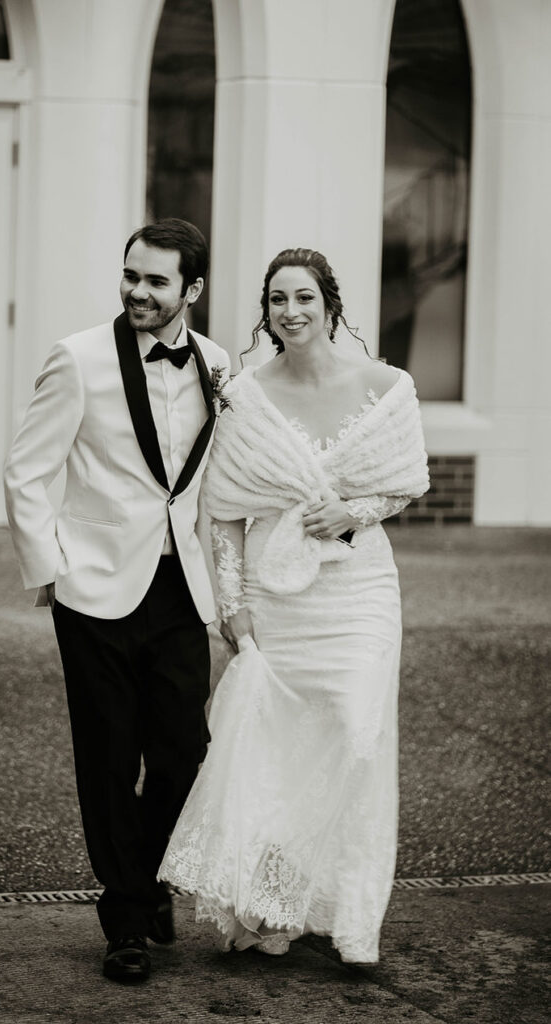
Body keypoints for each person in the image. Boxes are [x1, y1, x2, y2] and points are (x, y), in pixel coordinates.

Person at [159, 247, 429, 964]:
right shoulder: (244, 394)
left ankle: (347, 909)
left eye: (303, 297)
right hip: (274, 600)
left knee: (356, 734)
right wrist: (231, 604)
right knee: (276, 751)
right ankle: (272, 900)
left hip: (359, 590)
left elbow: (405, 484)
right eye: (276, 299)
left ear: (330, 304)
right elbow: (217, 512)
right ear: (265, 311)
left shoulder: (387, 386)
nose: (290, 312)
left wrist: (353, 509)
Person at [4, 219, 231, 983]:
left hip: (177, 587)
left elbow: (207, 488)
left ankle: (149, 870)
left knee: (183, 753)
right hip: (93, 586)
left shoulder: (217, 365)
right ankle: (126, 917)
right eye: (130, 275)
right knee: (107, 757)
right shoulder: (78, 358)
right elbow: (27, 470)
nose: (137, 290)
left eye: (156, 280)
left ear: (191, 290)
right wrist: (51, 570)